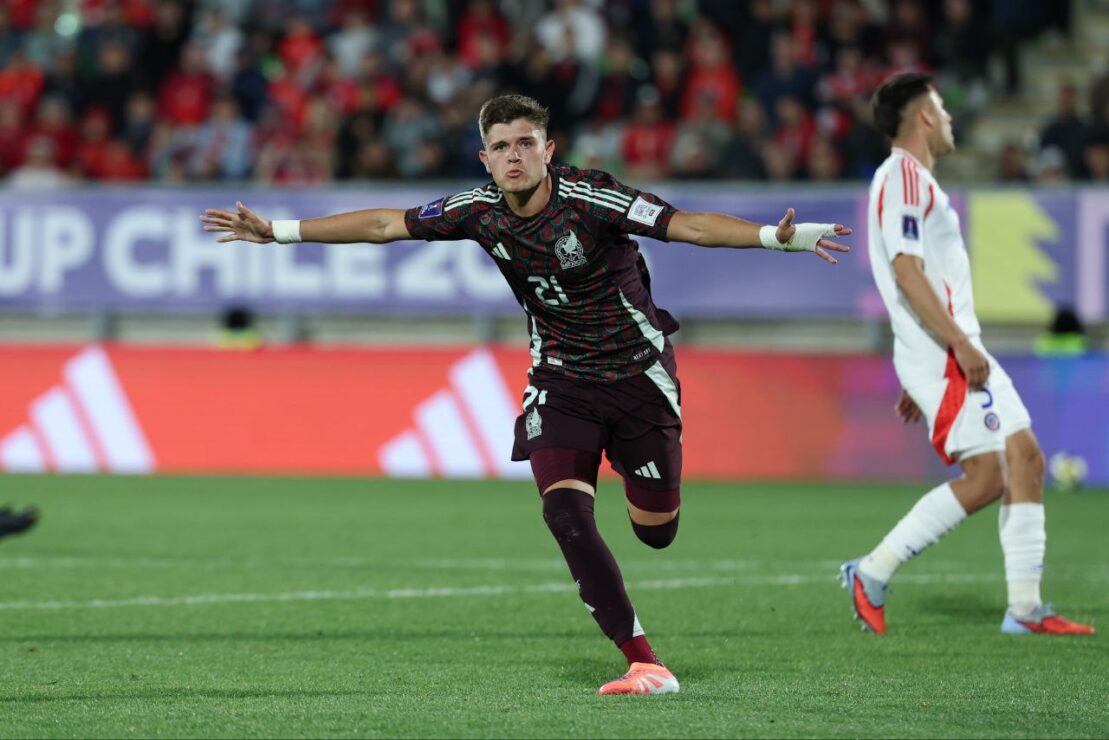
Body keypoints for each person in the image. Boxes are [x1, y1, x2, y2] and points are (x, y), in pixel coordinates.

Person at [201, 94, 852, 694]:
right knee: (564, 514)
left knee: (656, 531)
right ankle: (643, 660)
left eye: (526, 142)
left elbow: (691, 228)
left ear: (549, 149)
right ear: (485, 158)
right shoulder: (477, 209)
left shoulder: (592, 198)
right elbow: (382, 226)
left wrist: (775, 237)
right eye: (501, 146)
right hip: (560, 380)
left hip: (637, 379)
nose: (514, 156)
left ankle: (646, 498)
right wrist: (279, 232)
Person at [842, 73, 1094, 636]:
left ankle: (1025, 609)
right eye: (944, 109)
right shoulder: (903, 176)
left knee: (1025, 458)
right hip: (947, 350)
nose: (951, 120)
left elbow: (915, 272)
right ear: (925, 116)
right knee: (988, 475)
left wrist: (934, 353)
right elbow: (906, 271)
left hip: (946, 348)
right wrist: (950, 344)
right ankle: (873, 571)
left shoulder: (917, 183)